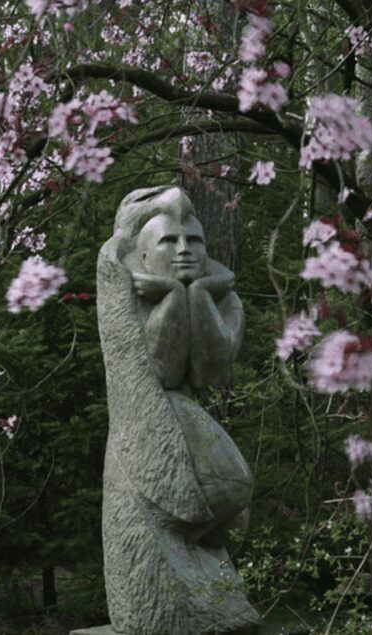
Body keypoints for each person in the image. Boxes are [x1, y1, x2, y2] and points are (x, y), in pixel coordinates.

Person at [96, 185, 259, 634]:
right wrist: (171, 295)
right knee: (217, 494)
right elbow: (162, 370)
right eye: (169, 241)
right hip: (153, 420)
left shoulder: (220, 295)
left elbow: (210, 368)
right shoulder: (129, 298)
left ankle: (205, 571)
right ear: (142, 256)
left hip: (185, 406)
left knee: (228, 495)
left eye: (195, 241)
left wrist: (199, 293)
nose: (185, 250)